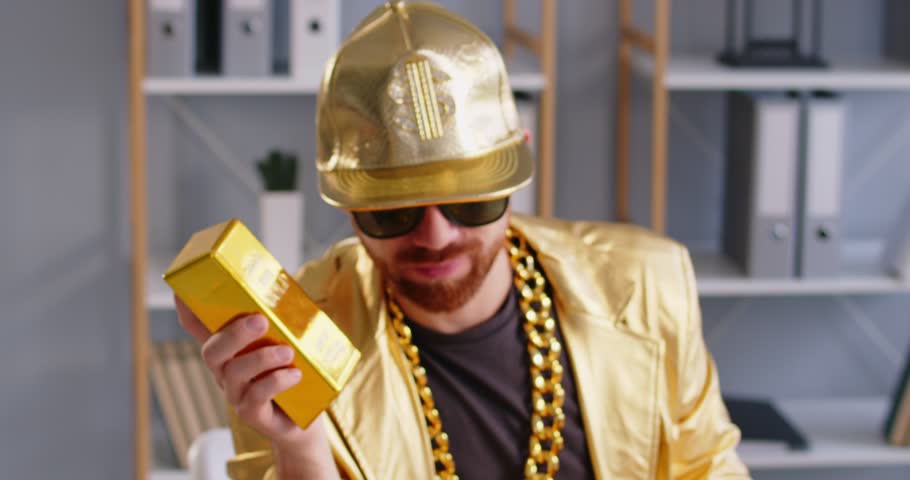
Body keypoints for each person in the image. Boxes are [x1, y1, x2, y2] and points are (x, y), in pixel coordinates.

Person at [175, 1, 750, 479]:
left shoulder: (647, 285)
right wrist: (300, 448)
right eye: (393, 214)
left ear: (518, 165)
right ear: (348, 205)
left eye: (470, 202)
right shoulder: (288, 348)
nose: (436, 236)